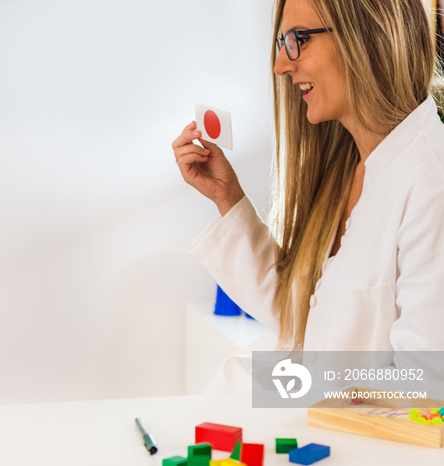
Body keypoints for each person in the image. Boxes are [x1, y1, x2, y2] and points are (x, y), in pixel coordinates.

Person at [173, 0, 444, 352]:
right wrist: (228, 196)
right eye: (282, 42)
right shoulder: (349, 169)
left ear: (367, 33)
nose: (280, 65)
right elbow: (305, 320)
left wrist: (279, 391)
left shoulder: (430, 182)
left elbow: (422, 387)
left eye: (298, 38)